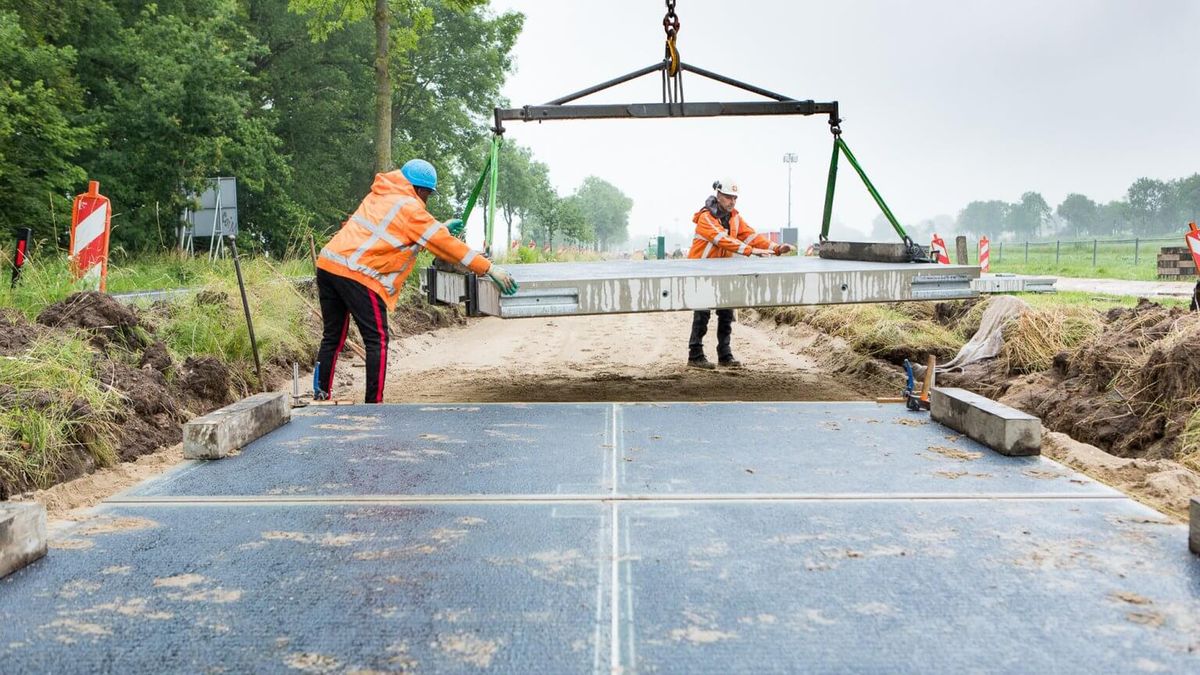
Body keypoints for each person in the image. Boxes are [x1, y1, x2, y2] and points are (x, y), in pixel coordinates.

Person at [313, 159, 518, 403]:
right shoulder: (411, 208)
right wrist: (489, 268)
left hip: (328, 265)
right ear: (419, 189)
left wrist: (440, 227)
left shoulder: (382, 194)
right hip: (358, 275)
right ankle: (374, 405)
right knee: (377, 340)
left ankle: (320, 395)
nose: (426, 200)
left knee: (332, 336)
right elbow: (447, 246)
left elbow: (401, 233)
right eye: (428, 194)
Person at [686, 177, 794, 369]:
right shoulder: (706, 218)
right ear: (718, 195)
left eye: (735, 198)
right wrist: (750, 251)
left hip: (723, 272)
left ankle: (725, 355)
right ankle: (695, 355)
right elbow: (722, 239)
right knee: (702, 313)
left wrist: (776, 248)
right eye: (729, 197)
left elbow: (752, 237)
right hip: (702, 272)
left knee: (726, 313)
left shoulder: (734, 218)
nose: (732, 201)